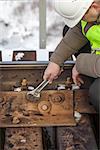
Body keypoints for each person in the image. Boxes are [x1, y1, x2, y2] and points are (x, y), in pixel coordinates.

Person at [43, 0, 100, 111]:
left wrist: (81, 64)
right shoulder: (93, 12)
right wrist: (55, 61)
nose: (81, 20)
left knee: (97, 93)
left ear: (95, 7)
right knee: (69, 29)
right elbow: (79, 31)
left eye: (81, 17)